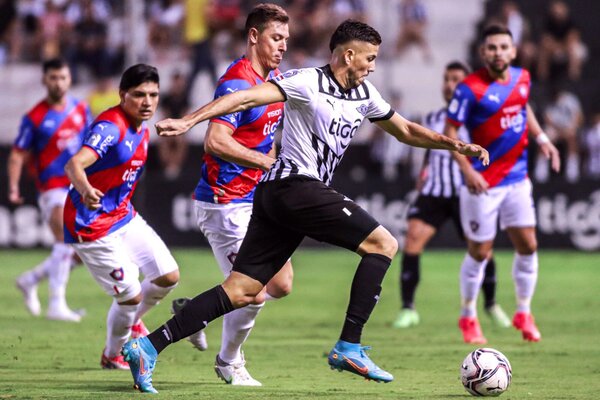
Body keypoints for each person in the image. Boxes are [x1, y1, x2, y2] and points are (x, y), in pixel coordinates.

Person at [122, 20, 488, 393]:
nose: (373, 66)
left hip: (272, 194)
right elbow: (246, 97)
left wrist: (454, 145)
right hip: (294, 186)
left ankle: (147, 346)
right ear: (349, 54)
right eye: (370, 58)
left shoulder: (365, 93)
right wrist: (190, 120)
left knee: (244, 290)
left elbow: (406, 130)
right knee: (384, 244)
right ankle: (349, 345)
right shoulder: (305, 81)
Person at [170, 3, 294, 386]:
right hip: (224, 201)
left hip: (254, 200)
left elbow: (263, 135)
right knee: (253, 292)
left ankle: (194, 311)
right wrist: (263, 161)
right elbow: (215, 140)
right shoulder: (237, 83)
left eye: (286, 39)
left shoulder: (274, 79)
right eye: (276, 38)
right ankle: (229, 363)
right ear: (254, 36)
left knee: (281, 285)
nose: (283, 46)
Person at [444, 25, 560, 344]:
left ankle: (524, 311)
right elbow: (450, 132)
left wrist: (543, 138)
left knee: (529, 245)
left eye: (503, 47)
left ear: (513, 50)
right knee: (481, 252)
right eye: (491, 47)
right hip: (483, 184)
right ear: (483, 53)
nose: (498, 52)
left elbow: (523, 107)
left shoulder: (522, 78)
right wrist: (467, 170)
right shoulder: (469, 89)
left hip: (517, 179)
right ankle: (468, 315)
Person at [63, 64, 180, 370]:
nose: (148, 102)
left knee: (168, 276)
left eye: (153, 95)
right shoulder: (111, 127)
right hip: (91, 223)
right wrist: (87, 189)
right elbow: (75, 164)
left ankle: (134, 323)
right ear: (122, 95)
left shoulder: (141, 127)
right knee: (130, 296)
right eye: (139, 95)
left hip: (122, 216)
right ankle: (113, 353)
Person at [393, 61, 510, 329]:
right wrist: (422, 175)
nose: (449, 84)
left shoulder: (481, 119)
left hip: (466, 193)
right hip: (434, 192)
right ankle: (408, 309)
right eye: (446, 79)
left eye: (456, 79)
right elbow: (428, 150)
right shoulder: (433, 118)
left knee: (482, 250)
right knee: (412, 241)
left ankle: (491, 305)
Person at [9, 58, 92, 322]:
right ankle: (56, 304)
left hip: (78, 186)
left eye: (63, 77)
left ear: (69, 79)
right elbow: (17, 154)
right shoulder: (34, 117)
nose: (58, 82)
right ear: (45, 80)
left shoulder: (81, 109)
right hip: (52, 188)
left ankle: (30, 279)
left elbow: (92, 147)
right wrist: (13, 186)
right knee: (64, 241)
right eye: (53, 77)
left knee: (80, 253)